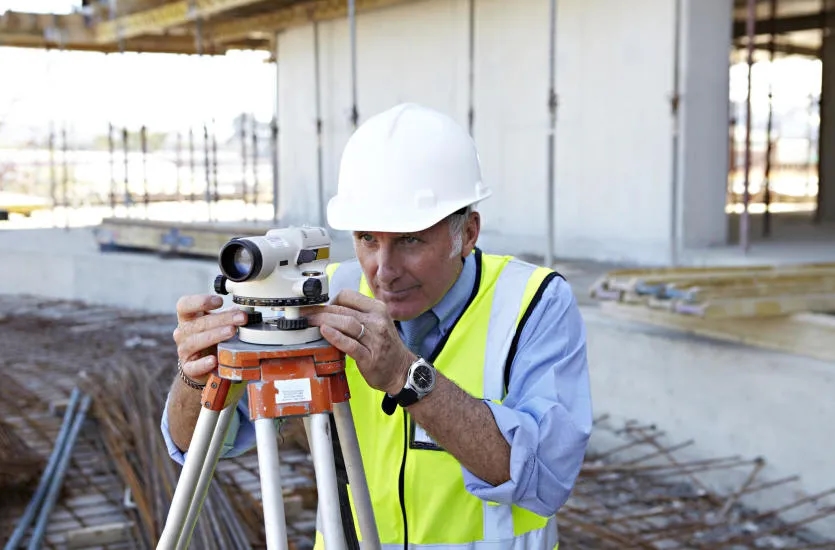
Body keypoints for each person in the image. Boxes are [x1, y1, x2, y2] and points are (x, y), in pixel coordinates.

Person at [162, 103, 592, 549]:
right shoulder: (319, 298)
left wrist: (407, 378)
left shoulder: (533, 303)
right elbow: (197, 446)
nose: (383, 271)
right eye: (368, 238)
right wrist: (197, 378)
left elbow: (545, 476)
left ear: (467, 233)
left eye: (410, 240)